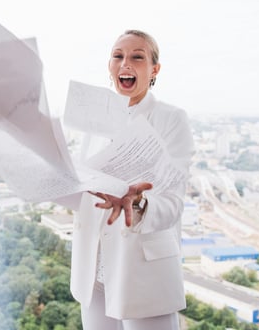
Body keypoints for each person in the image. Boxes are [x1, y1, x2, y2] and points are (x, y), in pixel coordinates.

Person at [56, 30, 195, 330]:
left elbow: (173, 204)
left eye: (137, 57)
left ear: (154, 69)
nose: (124, 63)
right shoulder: (93, 121)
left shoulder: (171, 119)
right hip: (93, 272)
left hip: (143, 271)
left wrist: (140, 201)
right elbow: (84, 193)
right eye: (118, 56)